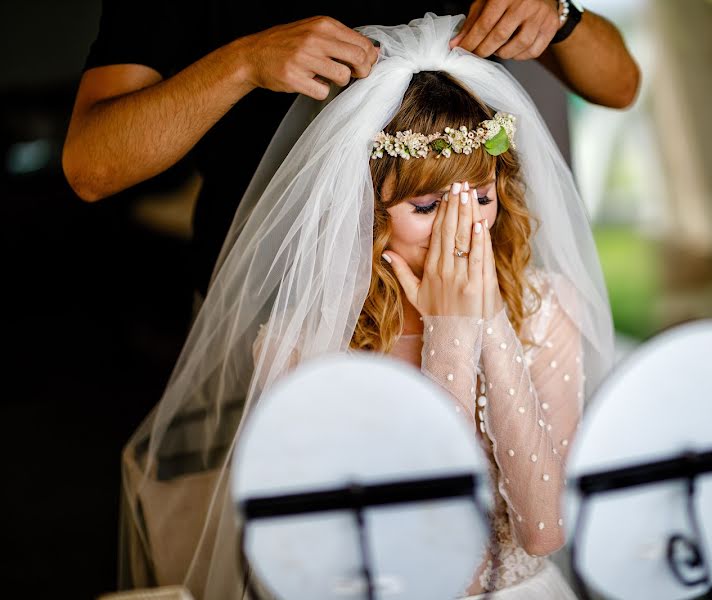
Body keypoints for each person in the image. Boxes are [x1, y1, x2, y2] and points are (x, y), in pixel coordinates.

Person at [120, 13, 615, 600]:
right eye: (427, 207)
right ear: (370, 214)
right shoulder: (301, 344)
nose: (465, 227)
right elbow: (436, 558)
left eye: (481, 196)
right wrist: (453, 333)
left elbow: (543, 530)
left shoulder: (544, 306)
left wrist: (490, 324)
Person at [62, 1, 639, 298]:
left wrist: (560, 13)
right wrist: (241, 64)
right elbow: (91, 165)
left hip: (476, 290)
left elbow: (621, 85)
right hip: (278, 305)